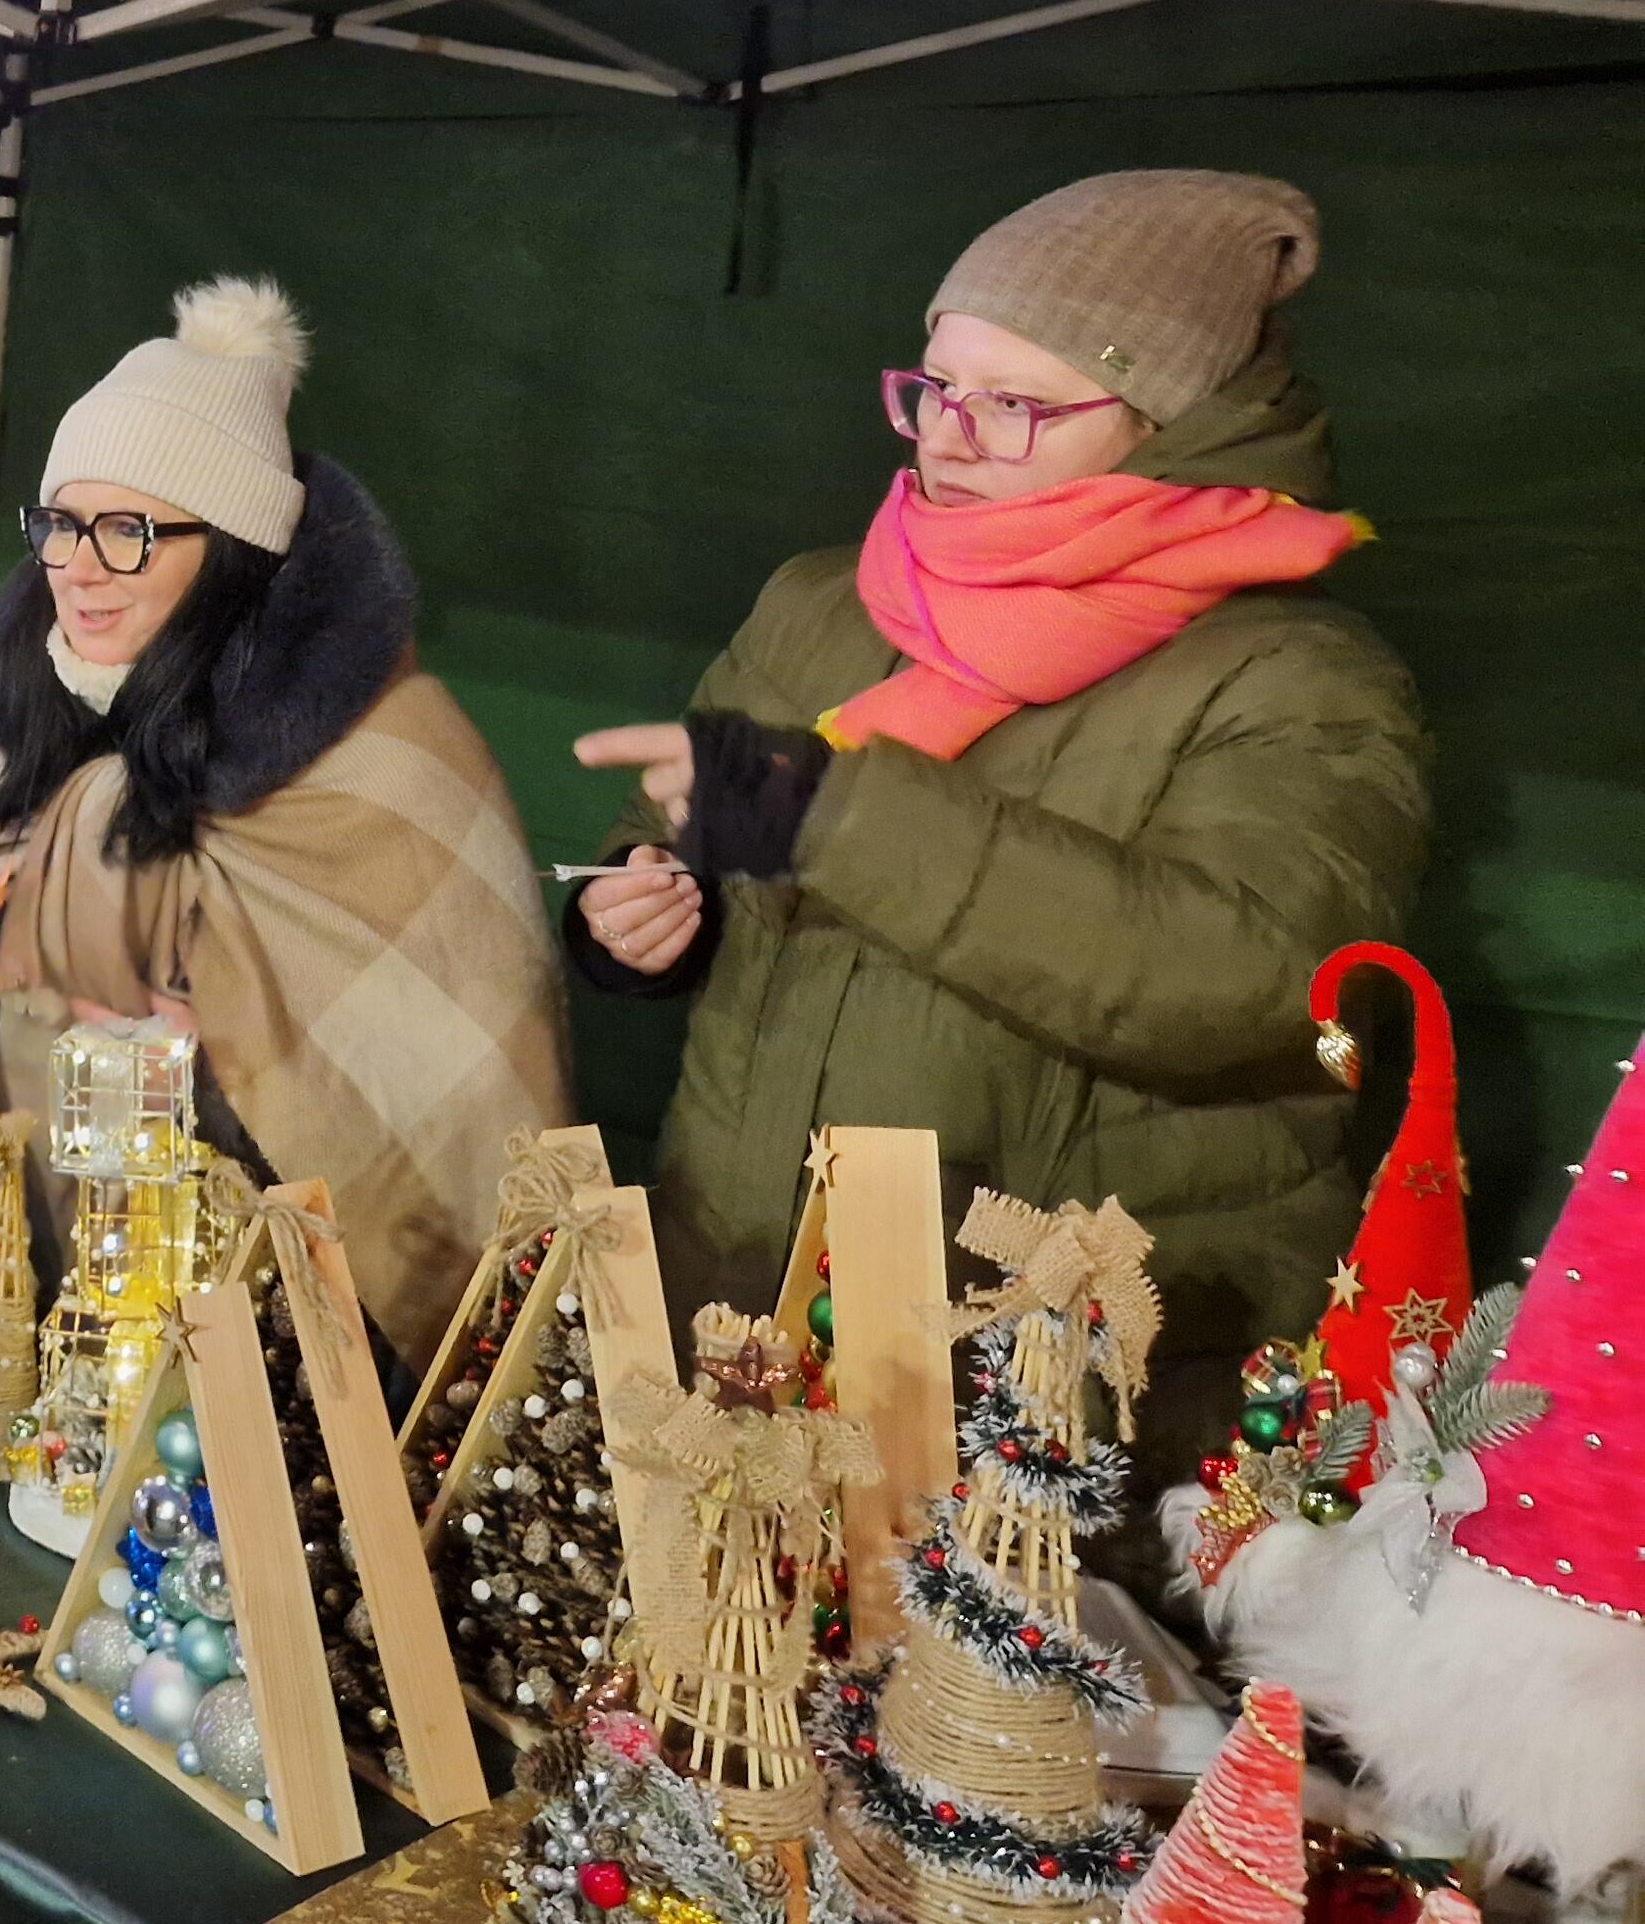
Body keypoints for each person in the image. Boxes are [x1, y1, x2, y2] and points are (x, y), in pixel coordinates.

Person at [567, 170, 1429, 1488]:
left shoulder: (1298, 680)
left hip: (1032, 1394)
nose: (951, 439)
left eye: (1016, 405)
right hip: (743, 1311)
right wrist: (631, 906)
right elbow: (672, 826)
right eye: (934, 388)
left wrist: (836, 813)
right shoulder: (823, 605)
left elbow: (1256, 983)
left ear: (1170, 424)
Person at [0, 278, 569, 1354]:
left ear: (230, 550)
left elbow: (439, 1094)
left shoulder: (388, 751)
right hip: (41, 1291)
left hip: (297, 1322)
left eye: (130, 531)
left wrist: (181, 1048)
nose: (78, 570)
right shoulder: (34, 700)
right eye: (60, 525)